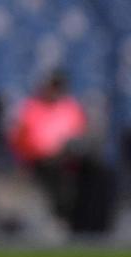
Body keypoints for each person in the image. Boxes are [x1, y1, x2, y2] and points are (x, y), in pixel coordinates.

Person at [9, 69, 88, 221]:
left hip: (68, 160)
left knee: (95, 170)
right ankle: (60, 214)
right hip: (39, 160)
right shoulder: (31, 108)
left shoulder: (70, 108)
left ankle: (86, 219)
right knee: (53, 170)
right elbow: (21, 141)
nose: (55, 91)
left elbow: (79, 136)